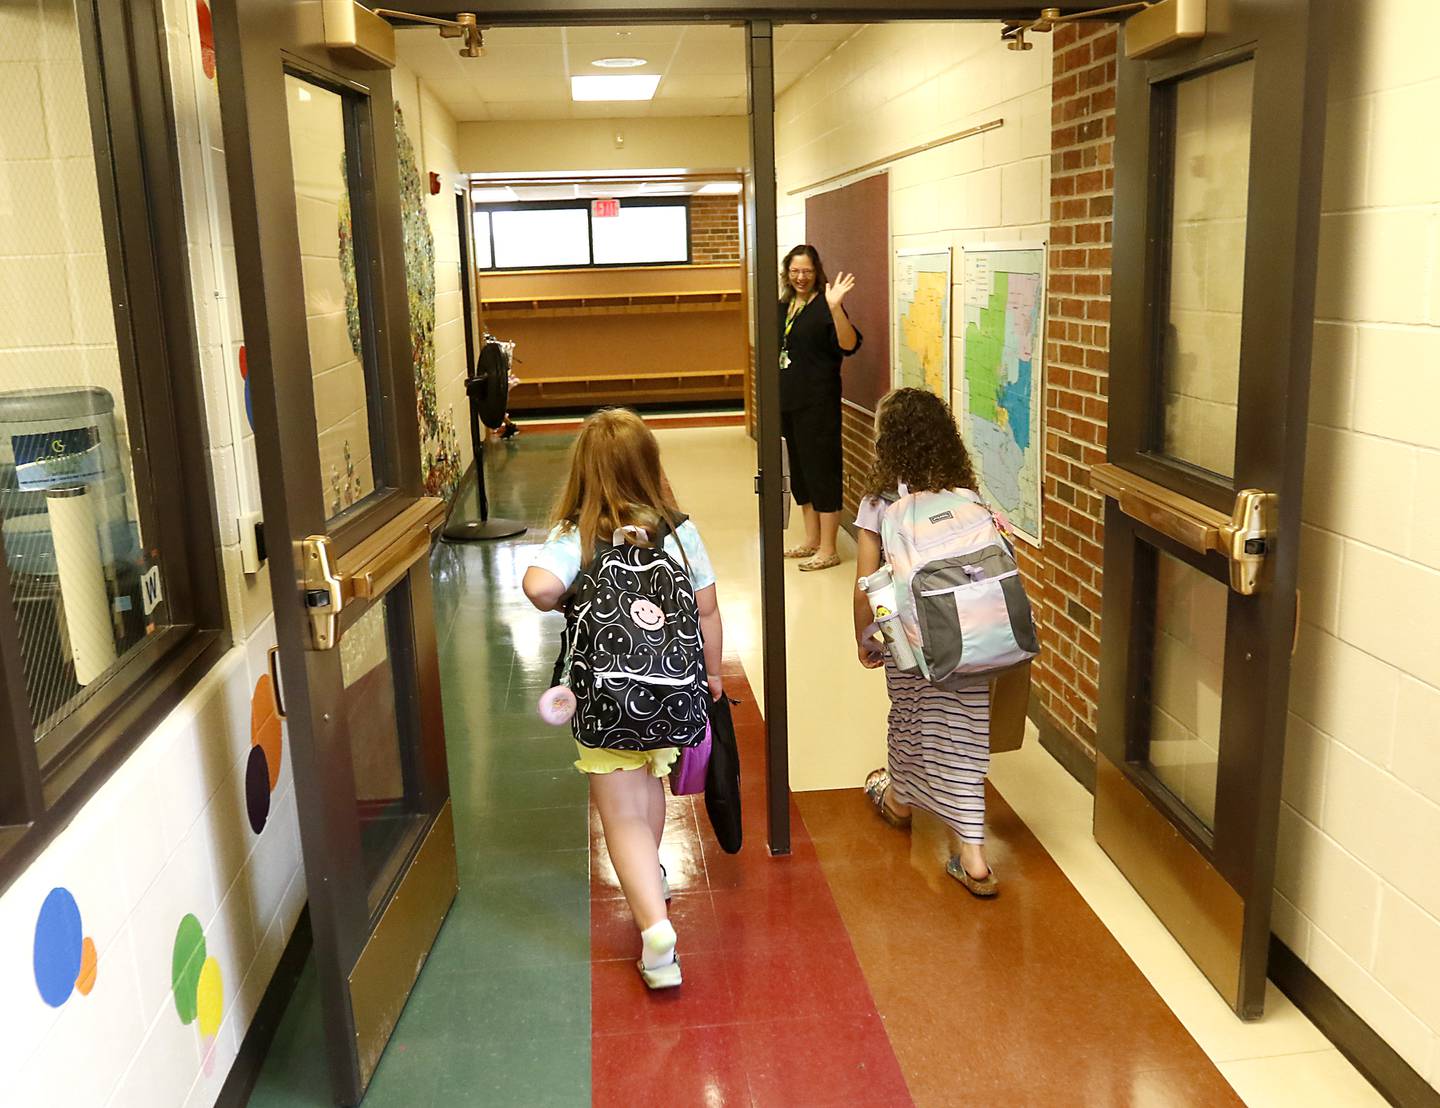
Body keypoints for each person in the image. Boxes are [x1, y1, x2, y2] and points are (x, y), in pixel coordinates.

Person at [522, 409, 725, 987]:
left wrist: (570, 594)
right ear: (649, 466)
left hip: (607, 701)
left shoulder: (577, 533)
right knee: (649, 789)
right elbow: (708, 609)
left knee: (621, 813)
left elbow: (538, 587)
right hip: (671, 695)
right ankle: (652, 882)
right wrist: (711, 677)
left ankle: (655, 932)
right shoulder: (679, 531)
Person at [852, 388, 998, 896]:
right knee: (966, 730)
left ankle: (909, 809)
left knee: (911, 714)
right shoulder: (966, 496)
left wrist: (867, 639)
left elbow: (867, 582)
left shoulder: (880, 503)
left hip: (908, 640)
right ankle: (960, 843)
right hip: (974, 636)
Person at [779, 244, 862, 572]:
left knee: (822, 471)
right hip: (789, 402)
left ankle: (829, 548)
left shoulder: (826, 306)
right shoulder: (784, 305)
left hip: (818, 403)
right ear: (788, 272)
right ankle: (811, 539)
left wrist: (836, 307)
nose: (801, 277)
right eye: (795, 271)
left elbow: (849, 344)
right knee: (800, 472)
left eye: (807, 271)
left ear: (817, 273)